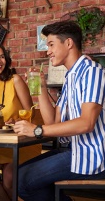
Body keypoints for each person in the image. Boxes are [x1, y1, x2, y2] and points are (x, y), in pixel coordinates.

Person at [14, 20, 105, 201]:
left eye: (51, 44)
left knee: (22, 180)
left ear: (69, 43)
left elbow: (86, 123)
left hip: (92, 156)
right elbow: (53, 123)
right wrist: (41, 86)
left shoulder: (92, 72)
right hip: (74, 150)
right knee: (15, 174)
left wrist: (36, 130)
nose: (48, 51)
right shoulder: (71, 77)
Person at [0, 41, 42, 201]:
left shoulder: (15, 80)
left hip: (22, 142)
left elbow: (30, 112)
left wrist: (17, 119)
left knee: (9, 178)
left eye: (2, 57)